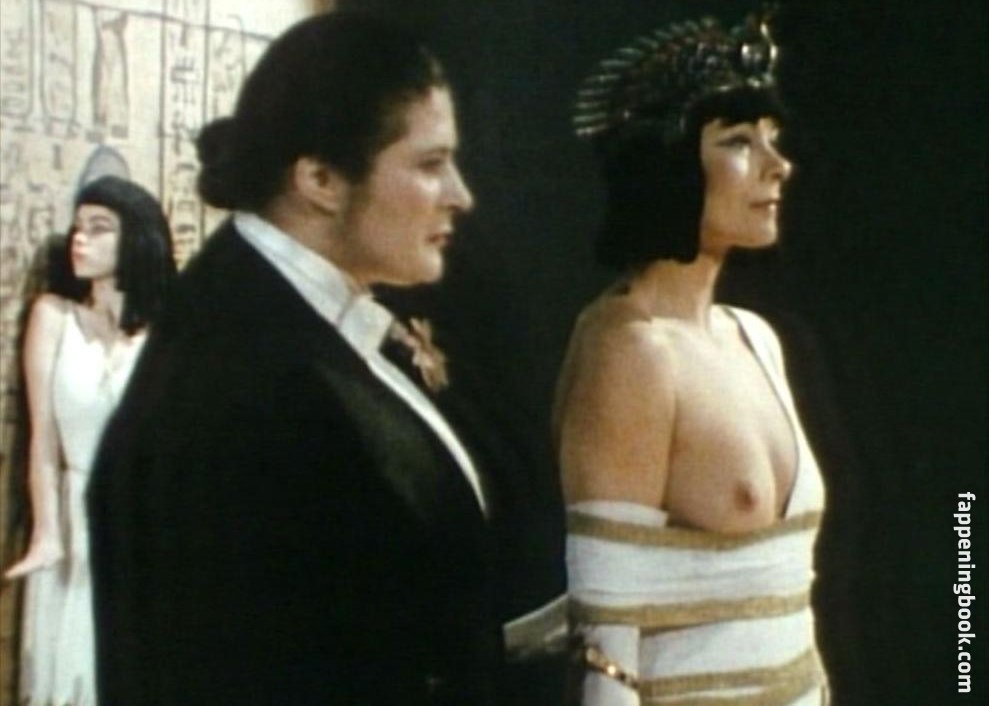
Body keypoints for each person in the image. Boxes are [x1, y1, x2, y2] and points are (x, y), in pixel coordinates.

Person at [88, 12, 515, 706]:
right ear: (319, 178)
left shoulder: (305, 324)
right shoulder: (239, 369)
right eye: (430, 165)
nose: (460, 196)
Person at [554, 13, 828, 706]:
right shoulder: (631, 351)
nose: (777, 164)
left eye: (771, 136)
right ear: (669, 163)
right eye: (737, 141)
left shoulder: (753, 338)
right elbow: (606, 648)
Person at [4, 175, 175, 706]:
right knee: (72, 674)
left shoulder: (169, 335)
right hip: (74, 521)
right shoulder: (53, 317)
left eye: (99, 228)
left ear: (136, 240)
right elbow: (42, 442)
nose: (80, 239)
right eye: (78, 228)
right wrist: (47, 534)